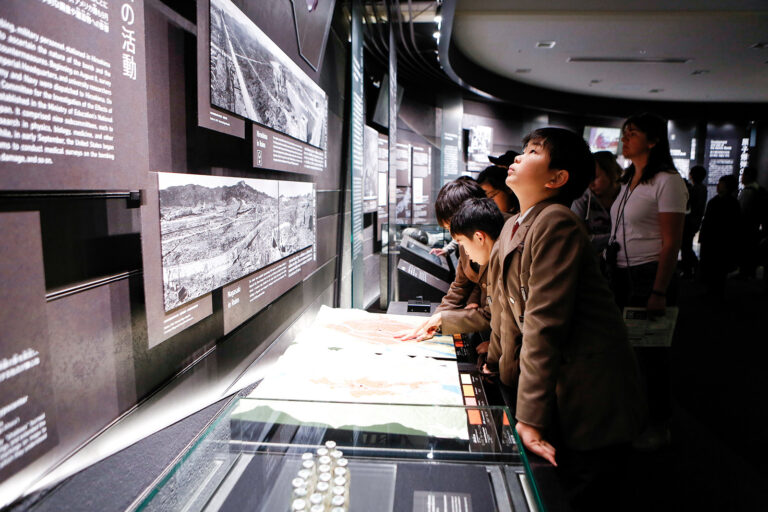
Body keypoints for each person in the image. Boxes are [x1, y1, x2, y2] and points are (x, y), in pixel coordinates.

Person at [485, 127, 645, 510]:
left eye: (533, 151)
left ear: (556, 178)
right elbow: (504, 309)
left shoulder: (557, 223)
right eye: (523, 149)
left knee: (587, 488)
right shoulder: (512, 225)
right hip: (558, 382)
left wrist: (529, 418)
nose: (519, 156)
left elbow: (544, 325)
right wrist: (493, 364)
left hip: (590, 389)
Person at [607, 113, 688, 451]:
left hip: (649, 274)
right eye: (624, 132)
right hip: (621, 273)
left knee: (651, 355)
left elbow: (672, 242)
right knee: (625, 353)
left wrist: (658, 290)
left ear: (653, 141)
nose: (625, 138)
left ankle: (659, 424)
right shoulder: (629, 179)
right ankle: (632, 415)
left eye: (633, 133)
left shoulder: (667, 181)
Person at [398, 177, 489, 341]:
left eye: (452, 227)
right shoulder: (464, 240)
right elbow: (460, 286)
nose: (454, 238)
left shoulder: (502, 243)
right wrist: (433, 322)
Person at [570, 150, 622, 255]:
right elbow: (577, 239)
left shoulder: (627, 197)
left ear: (611, 173)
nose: (591, 184)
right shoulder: (582, 200)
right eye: (588, 178)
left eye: (595, 178)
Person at [699, 175, 741, 297]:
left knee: (716, 267)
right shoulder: (731, 203)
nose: (718, 186)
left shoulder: (720, 202)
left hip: (718, 241)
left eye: (721, 184)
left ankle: (714, 291)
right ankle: (715, 291)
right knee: (716, 268)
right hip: (718, 240)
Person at [737, 166, 767, 279]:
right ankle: (749, 272)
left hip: (746, 227)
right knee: (751, 250)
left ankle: (744, 272)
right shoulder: (760, 190)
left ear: (748, 176)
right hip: (755, 226)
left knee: (745, 250)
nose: (742, 178)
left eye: (743, 175)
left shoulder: (748, 192)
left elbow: (742, 210)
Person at [680, 165, 708, 279]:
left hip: (690, 222)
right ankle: (694, 269)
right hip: (695, 221)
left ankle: (690, 269)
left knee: (685, 247)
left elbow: (687, 201)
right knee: (686, 246)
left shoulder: (695, 189)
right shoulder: (702, 188)